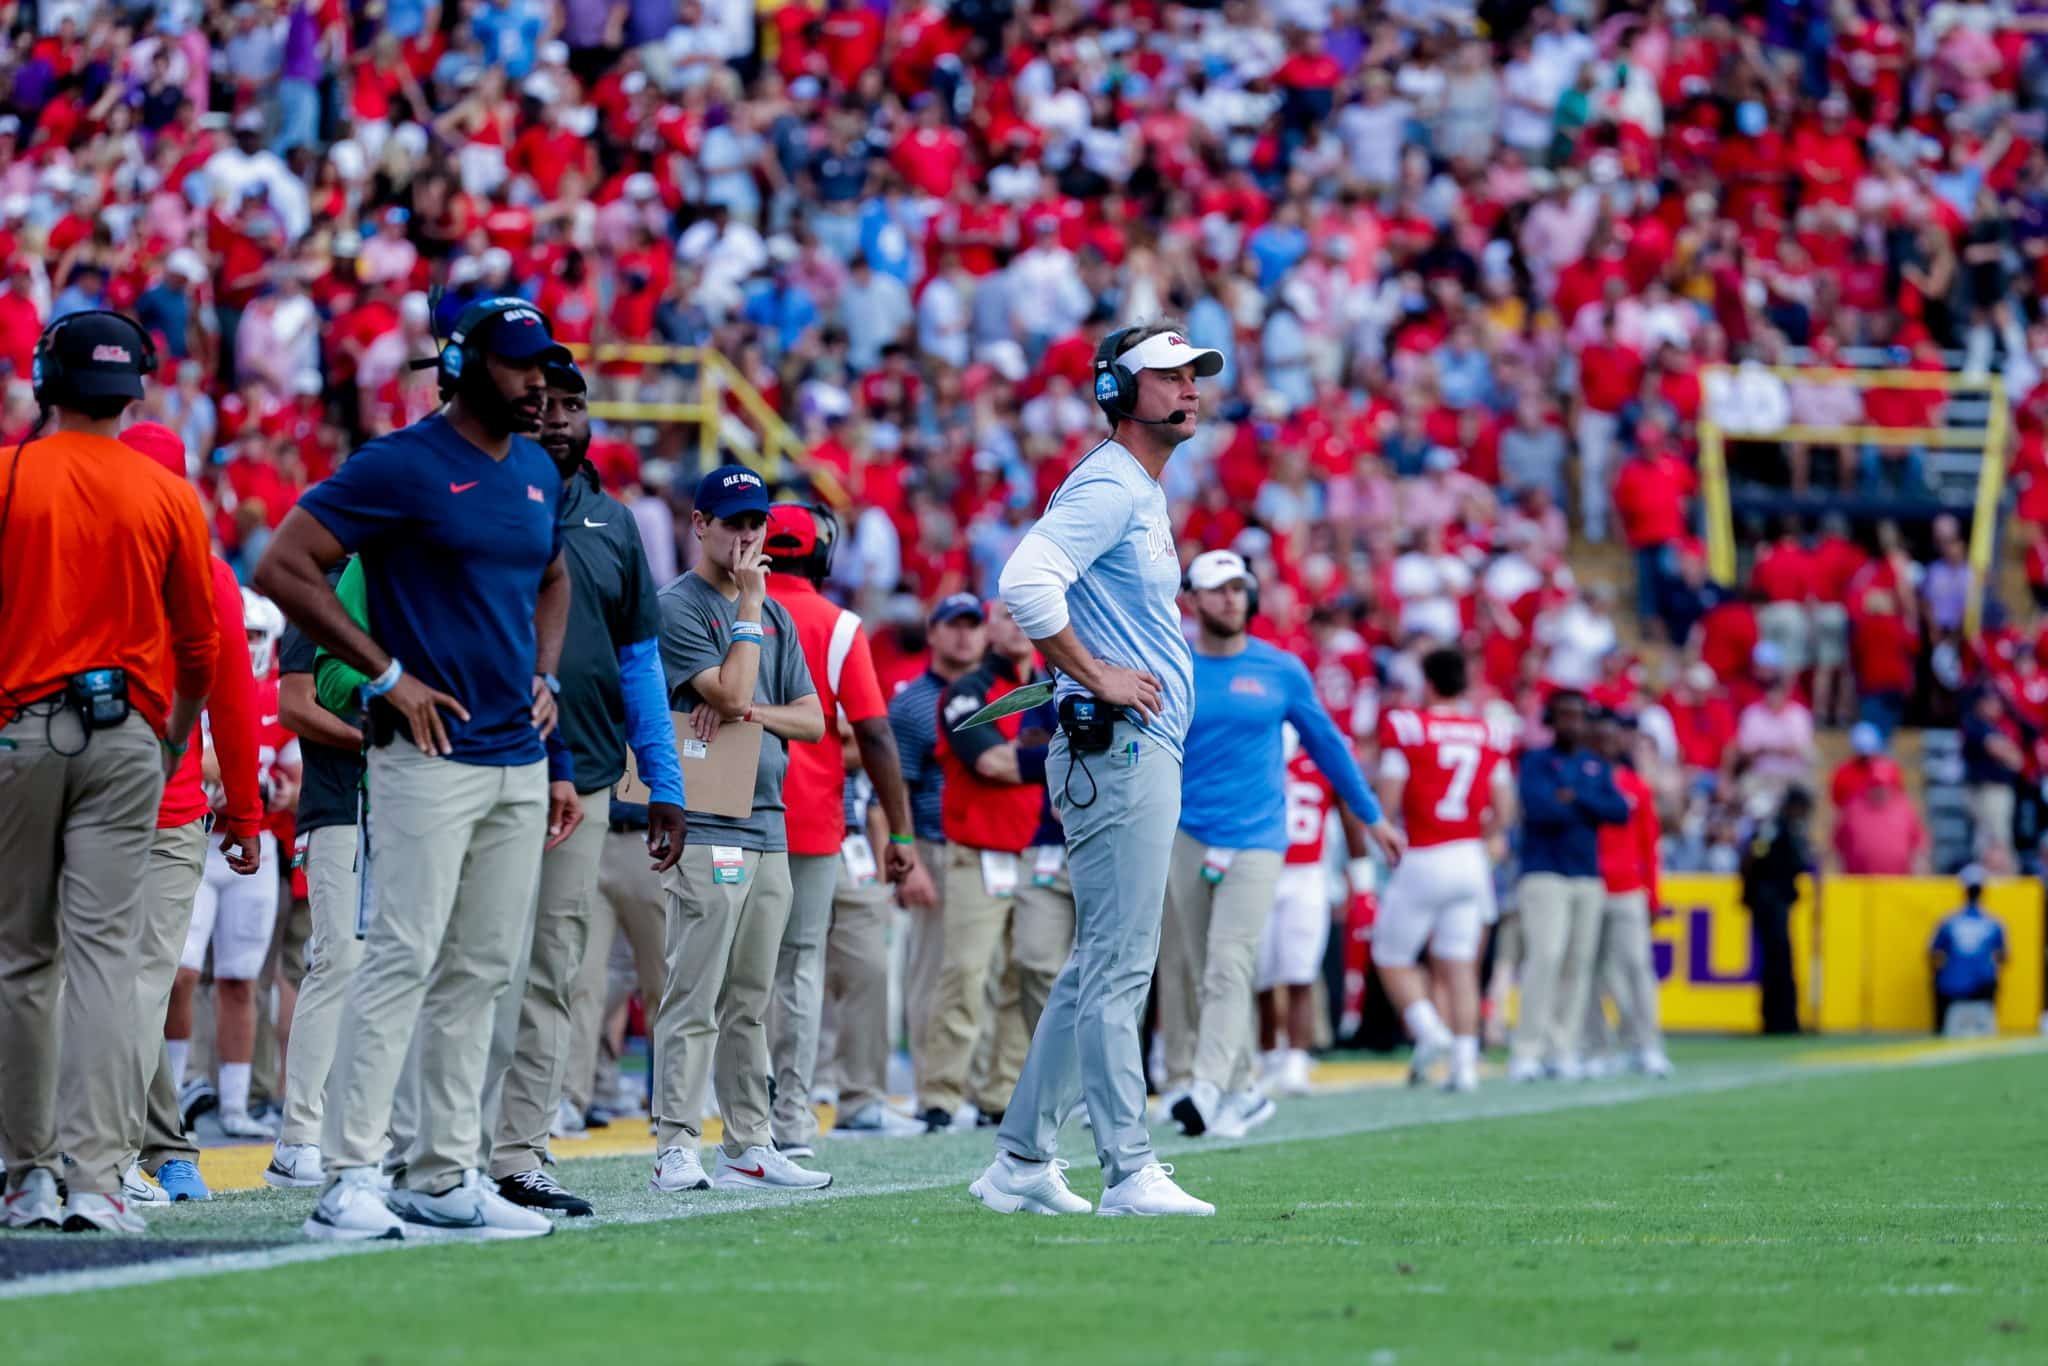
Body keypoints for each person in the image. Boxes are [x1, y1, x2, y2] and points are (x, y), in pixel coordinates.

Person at [254, 296, 577, 1242]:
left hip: (516, 756)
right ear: (465, 366)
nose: (538, 385)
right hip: (425, 757)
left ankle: (442, 1174)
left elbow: (552, 577)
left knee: (482, 969)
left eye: (544, 367)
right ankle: (349, 1174)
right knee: (401, 957)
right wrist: (388, 675)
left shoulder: (532, 472)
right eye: (520, 366)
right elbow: (285, 565)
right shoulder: (398, 463)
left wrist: (545, 672)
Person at [971, 321, 1220, 1219]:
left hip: (1126, 747)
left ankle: (1021, 1161)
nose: (1188, 387)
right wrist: (1098, 672)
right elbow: (1025, 582)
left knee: (1096, 967)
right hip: (1118, 745)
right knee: (1120, 965)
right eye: (1167, 375)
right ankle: (1128, 1167)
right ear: (1118, 390)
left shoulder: (1135, 487)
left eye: (1194, 374)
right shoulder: (1112, 483)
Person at [1, 311, 216, 1235]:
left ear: (48, 380)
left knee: (20, 959)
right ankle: (96, 1179)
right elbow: (201, 644)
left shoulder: (10, 472)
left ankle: (27, 1176)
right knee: (103, 962)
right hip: (129, 731)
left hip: (17, 728)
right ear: (136, 388)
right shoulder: (166, 492)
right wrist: (167, 736)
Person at [479, 359, 686, 1218]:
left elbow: (639, 661)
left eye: (574, 405)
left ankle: (519, 1151)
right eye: (546, 404)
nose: (561, 418)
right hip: (484, 754)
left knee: (555, 968)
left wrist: (663, 776)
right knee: (473, 958)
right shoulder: (479, 495)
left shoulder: (613, 521)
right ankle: (436, 1145)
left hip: (594, 775)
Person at [1163, 549, 1400, 1136]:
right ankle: (1243, 1091)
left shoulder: (1281, 669)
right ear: (1192, 599)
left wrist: (1371, 816)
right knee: (1204, 969)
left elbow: (1328, 745)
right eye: (1217, 590)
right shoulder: (1173, 667)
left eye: (1238, 588)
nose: (1229, 599)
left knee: (1229, 960)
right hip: (1186, 832)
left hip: (1258, 839)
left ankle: (1206, 1087)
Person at [648, 464, 829, 1196]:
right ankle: (675, 1144)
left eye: (757, 524)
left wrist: (749, 714)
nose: (749, 536)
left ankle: (748, 1143)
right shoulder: (680, 606)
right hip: (706, 817)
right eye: (734, 524)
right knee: (695, 989)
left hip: (768, 823)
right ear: (699, 526)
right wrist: (750, 614)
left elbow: (811, 719)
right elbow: (730, 686)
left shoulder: (778, 617)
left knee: (750, 995)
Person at [107, 421, 263, 1209]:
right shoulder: (206, 571)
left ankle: (158, 1147)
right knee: (134, 984)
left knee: (95, 982)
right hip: (164, 806)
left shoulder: (70, 557)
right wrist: (245, 814)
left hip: (72, 798)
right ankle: (105, 1155)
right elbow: (229, 702)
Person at [761, 500, 917, 1157]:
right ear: (823, 556)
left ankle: (694, 1121)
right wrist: (902, 835)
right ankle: (789, 1120)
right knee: (797, 971)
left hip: (718, 814)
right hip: (809, 820)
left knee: (722, 974)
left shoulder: (711, 607)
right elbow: (876, 733)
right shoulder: (839, 624)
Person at [918, 600, 1058, 1131]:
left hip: (1041, 853)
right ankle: (940, 1095)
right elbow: (991, 763)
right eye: (1007, 615)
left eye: (1028, 614)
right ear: (990, 630)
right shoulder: (966, 693)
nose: (1020, 625)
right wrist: (1064, 753)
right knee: (966, 974)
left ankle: (1001, 1093)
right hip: (978, 852)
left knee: (1026, 976)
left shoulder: (1055, 687)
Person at [165, 590, 289, 1140]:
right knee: (181, 975)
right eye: (246, 635)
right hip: (196, 840)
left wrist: (273, 790)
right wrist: (237, 778)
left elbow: (291, 772)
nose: (252, 646)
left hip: (252, 846)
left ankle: (236, 1106)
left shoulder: (278, 694)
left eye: (259, 636)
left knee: (241, 979)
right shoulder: (193, 678)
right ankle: (168, 1103)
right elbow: (201, 754)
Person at [265, 560, 371, 1190]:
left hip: (398, 806)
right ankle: (298, 1137)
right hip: (339, 805)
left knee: (387, 967)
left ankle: (362, 1130)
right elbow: (294, 706)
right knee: (337, 960)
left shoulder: (401, 585)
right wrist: (381, 740)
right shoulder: (320, 593)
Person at [1375, 648, 1514, 1094]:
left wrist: (1386, 832)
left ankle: (1430, 1031)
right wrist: (1486, 830)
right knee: (1460, 966)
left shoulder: (1410, 725)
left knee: (1391, 956)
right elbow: (1505, 804)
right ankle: (1465, 1065)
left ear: (1428, 682)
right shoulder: (1486, 729)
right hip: (1470, 856)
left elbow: (1390, 798)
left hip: (1426, 853)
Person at [882, 593, 987, 1093]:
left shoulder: (997, 691)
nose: (965, 635)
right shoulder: (911, 703)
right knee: (933, 969)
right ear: (933, 632)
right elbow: (895, 785)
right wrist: (910, 860)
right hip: (935, 844)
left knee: (984, 970)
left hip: (992, 846)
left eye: (973, 625)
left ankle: (981, 1082)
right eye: (954, 625)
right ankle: (931, 1082)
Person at [1511, 689, 1630, 1081]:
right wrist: (1582, 803)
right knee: (1545, 957)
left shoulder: (1593, 764)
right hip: (1545, 871)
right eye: (1564, 715)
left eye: (1578, 716)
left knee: (1578, 965)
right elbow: (1540, 808)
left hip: (1585, 874)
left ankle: (1562, 1047)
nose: (1571, 723)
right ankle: (1528, 1047)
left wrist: (1574, 798)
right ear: (1550, 719)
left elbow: (1617, 810)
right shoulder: (1536, 761)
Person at [1590, 711, 1671, 1078]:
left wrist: (1653, 894)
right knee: (1588, 974)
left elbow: (1648, 844)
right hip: (1589, 887)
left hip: (1626, 889)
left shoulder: (1635, 785)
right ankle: (1598, 1046)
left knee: (1637, 969)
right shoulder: (1584, 780)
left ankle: (1647, 1044)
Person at [1740, 785, 1813, 1036]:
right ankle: (1777, 1020)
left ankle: (1783, 1019)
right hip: (1770, 904)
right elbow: (1755, 857)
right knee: (1777, 962)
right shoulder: (1775, 828)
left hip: (1775, 903)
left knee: (1779, 961)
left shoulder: (1786, 828)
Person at [1929, 866, 2006, 1033]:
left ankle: (1940, 1028)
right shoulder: (1993, 923)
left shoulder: (1948, 921)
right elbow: (2003, 956)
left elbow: (1933, 954)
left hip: (1951, 988)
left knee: (1938, 979)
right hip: (1982, 988)